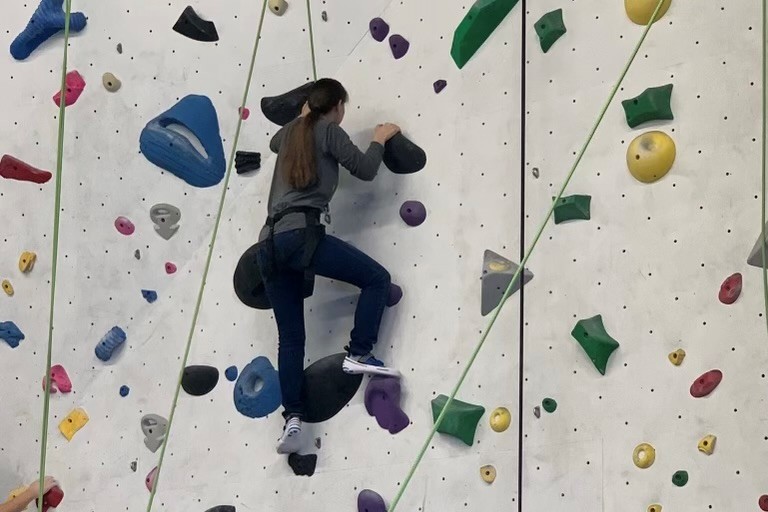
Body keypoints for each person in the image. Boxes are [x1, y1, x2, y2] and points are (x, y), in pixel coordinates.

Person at [255, 78, 402, 454]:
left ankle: (293, 420)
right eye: (343, 107)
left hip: (267, 244)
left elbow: (275, 142)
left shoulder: (290, 133)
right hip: (300, 235)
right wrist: (380, 138)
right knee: (376, 278)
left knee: (290, 338)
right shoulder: (329, 132)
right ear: (336, 106)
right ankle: (359, 353)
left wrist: (301, 117)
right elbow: (366, 169)